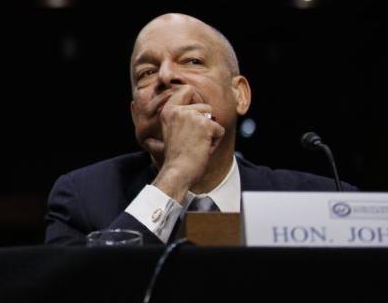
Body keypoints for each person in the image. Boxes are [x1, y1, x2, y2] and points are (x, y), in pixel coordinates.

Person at [45, 13, 355, 246]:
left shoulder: (324, 201)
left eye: (192, 61)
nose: (166, 76)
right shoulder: (81, 198)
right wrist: (175, 175)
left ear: (240, 95)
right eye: (147, 72)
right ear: (135, 113)